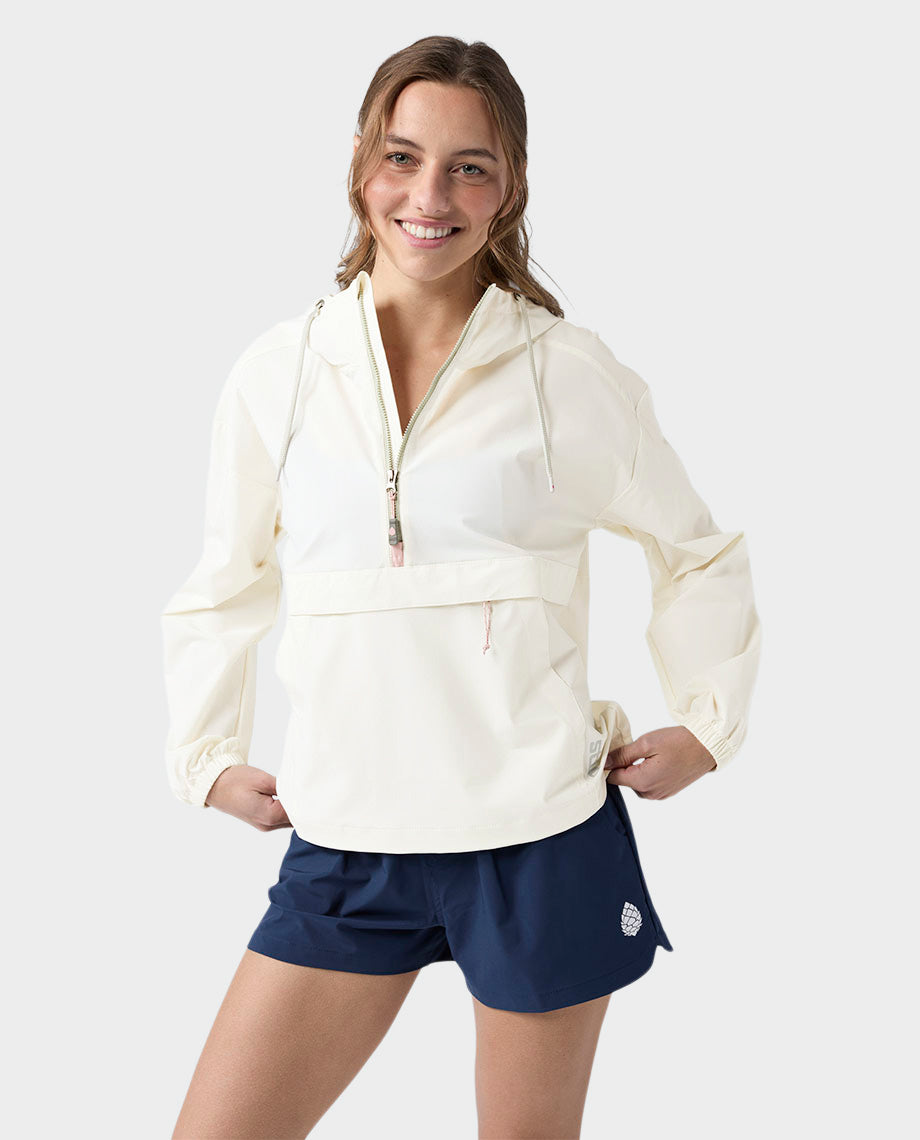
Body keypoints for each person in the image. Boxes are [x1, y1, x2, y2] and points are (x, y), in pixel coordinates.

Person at [162, 35, 762, 1140]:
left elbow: (696, 551)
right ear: (362, 166)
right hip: (346, 834)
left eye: (467, 168)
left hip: (538, 836)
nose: (428, 197)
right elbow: (224, 575)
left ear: (509, 186)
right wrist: (205, 754)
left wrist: (708, 724)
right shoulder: (280, 375)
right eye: (402, 157)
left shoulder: (566, 373)